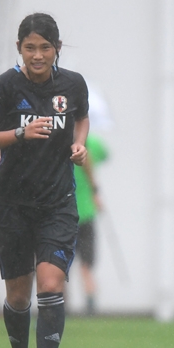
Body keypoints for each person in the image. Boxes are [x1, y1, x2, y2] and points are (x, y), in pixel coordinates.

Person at [0, 12, 89, 348]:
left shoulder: (73, 84)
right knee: (18, 295)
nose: (37, 55)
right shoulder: (7, 86)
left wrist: (79, 144)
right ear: (19, 48)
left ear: (57, 48)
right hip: (12, 204)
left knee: (51, 283)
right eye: (30, 47)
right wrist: (20, 133)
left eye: (45, 47)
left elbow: (82, 119)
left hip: (58, 202)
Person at [73, 133, 108, 315]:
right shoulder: (93, 142)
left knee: (58, 264)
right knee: (86, 263)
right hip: (86, 211)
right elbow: (106, 155)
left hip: (65, 212)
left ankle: (58, 306)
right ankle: (91, 303)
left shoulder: (60, 143)